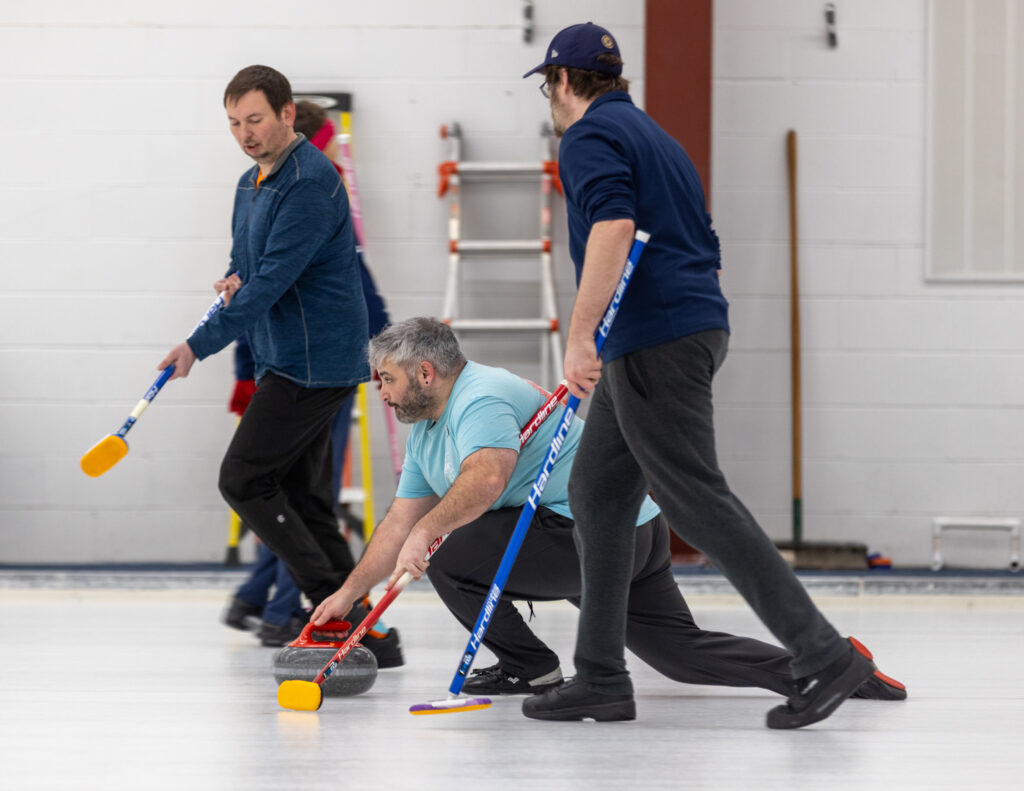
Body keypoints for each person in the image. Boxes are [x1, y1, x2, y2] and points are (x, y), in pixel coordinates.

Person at [519, 23, 896, 728]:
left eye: (548, 86)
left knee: (695, 500)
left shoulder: (588, 136)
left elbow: (613, 228)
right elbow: (705, 240)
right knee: (596, 495)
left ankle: (822, 652)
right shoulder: (656, 137)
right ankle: (600, 674)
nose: (551, 97)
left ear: (564, 82)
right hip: (683, 327)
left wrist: (579, 337)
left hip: (652, 337)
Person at [308, 319, 906, 706]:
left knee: (448, 550)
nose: (380, 393)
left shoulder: (479, 396)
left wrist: (430, 532)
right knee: (680, 655)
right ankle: (831, 665)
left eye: (385, 380)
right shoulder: (427, 433)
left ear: (425, 371)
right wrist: (352, 592)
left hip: (586, 535)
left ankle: (531, 669)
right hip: (626, 534)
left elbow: (485, 479)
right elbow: (396, 521)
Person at [157, 64, 401, 666]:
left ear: (288, 113)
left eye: (255, 119)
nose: (245, 132)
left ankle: (330, 609)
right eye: (235, 122)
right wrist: (231, 278)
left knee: (242, 479)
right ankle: (374, 635)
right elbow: (248, 265)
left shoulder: (312, 183)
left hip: (316, 363)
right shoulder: (250, 182)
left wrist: (198, 345)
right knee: (307, 499)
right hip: (282, 357)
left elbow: (270, 282)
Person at [291, 100, 392, 516]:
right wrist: (382, 339)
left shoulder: (279, 190)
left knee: (295, 480)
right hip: (324, 360)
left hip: (297, 357)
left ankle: (281, 578)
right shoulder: (322, 193)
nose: (338, 153)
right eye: (331, 144)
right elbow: (355, 276)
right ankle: (307, 577)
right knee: (316, 480)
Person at [221, 336, 308, 647]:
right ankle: (281, 615)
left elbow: (250, 316)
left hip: (275, 384)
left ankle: (252, 598)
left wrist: (245, 372)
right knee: (304, 509)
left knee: (288, 506)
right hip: (315, 383)